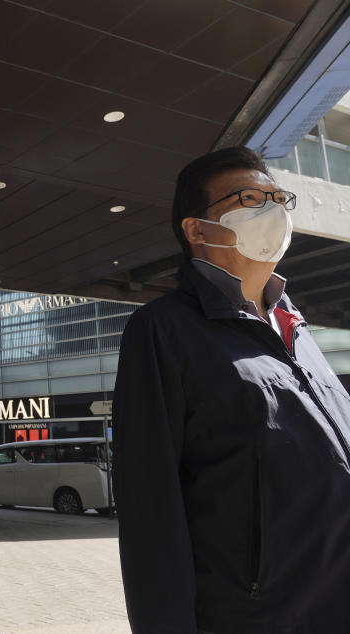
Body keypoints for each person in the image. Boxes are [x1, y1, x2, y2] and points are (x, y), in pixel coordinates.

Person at [113, 146, 350, 633]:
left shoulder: (296, 327)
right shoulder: (162, 330)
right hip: (261, 616)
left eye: (277, 198)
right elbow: (150, 509)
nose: (272, 211)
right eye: (249, 198)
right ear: (197, 229)